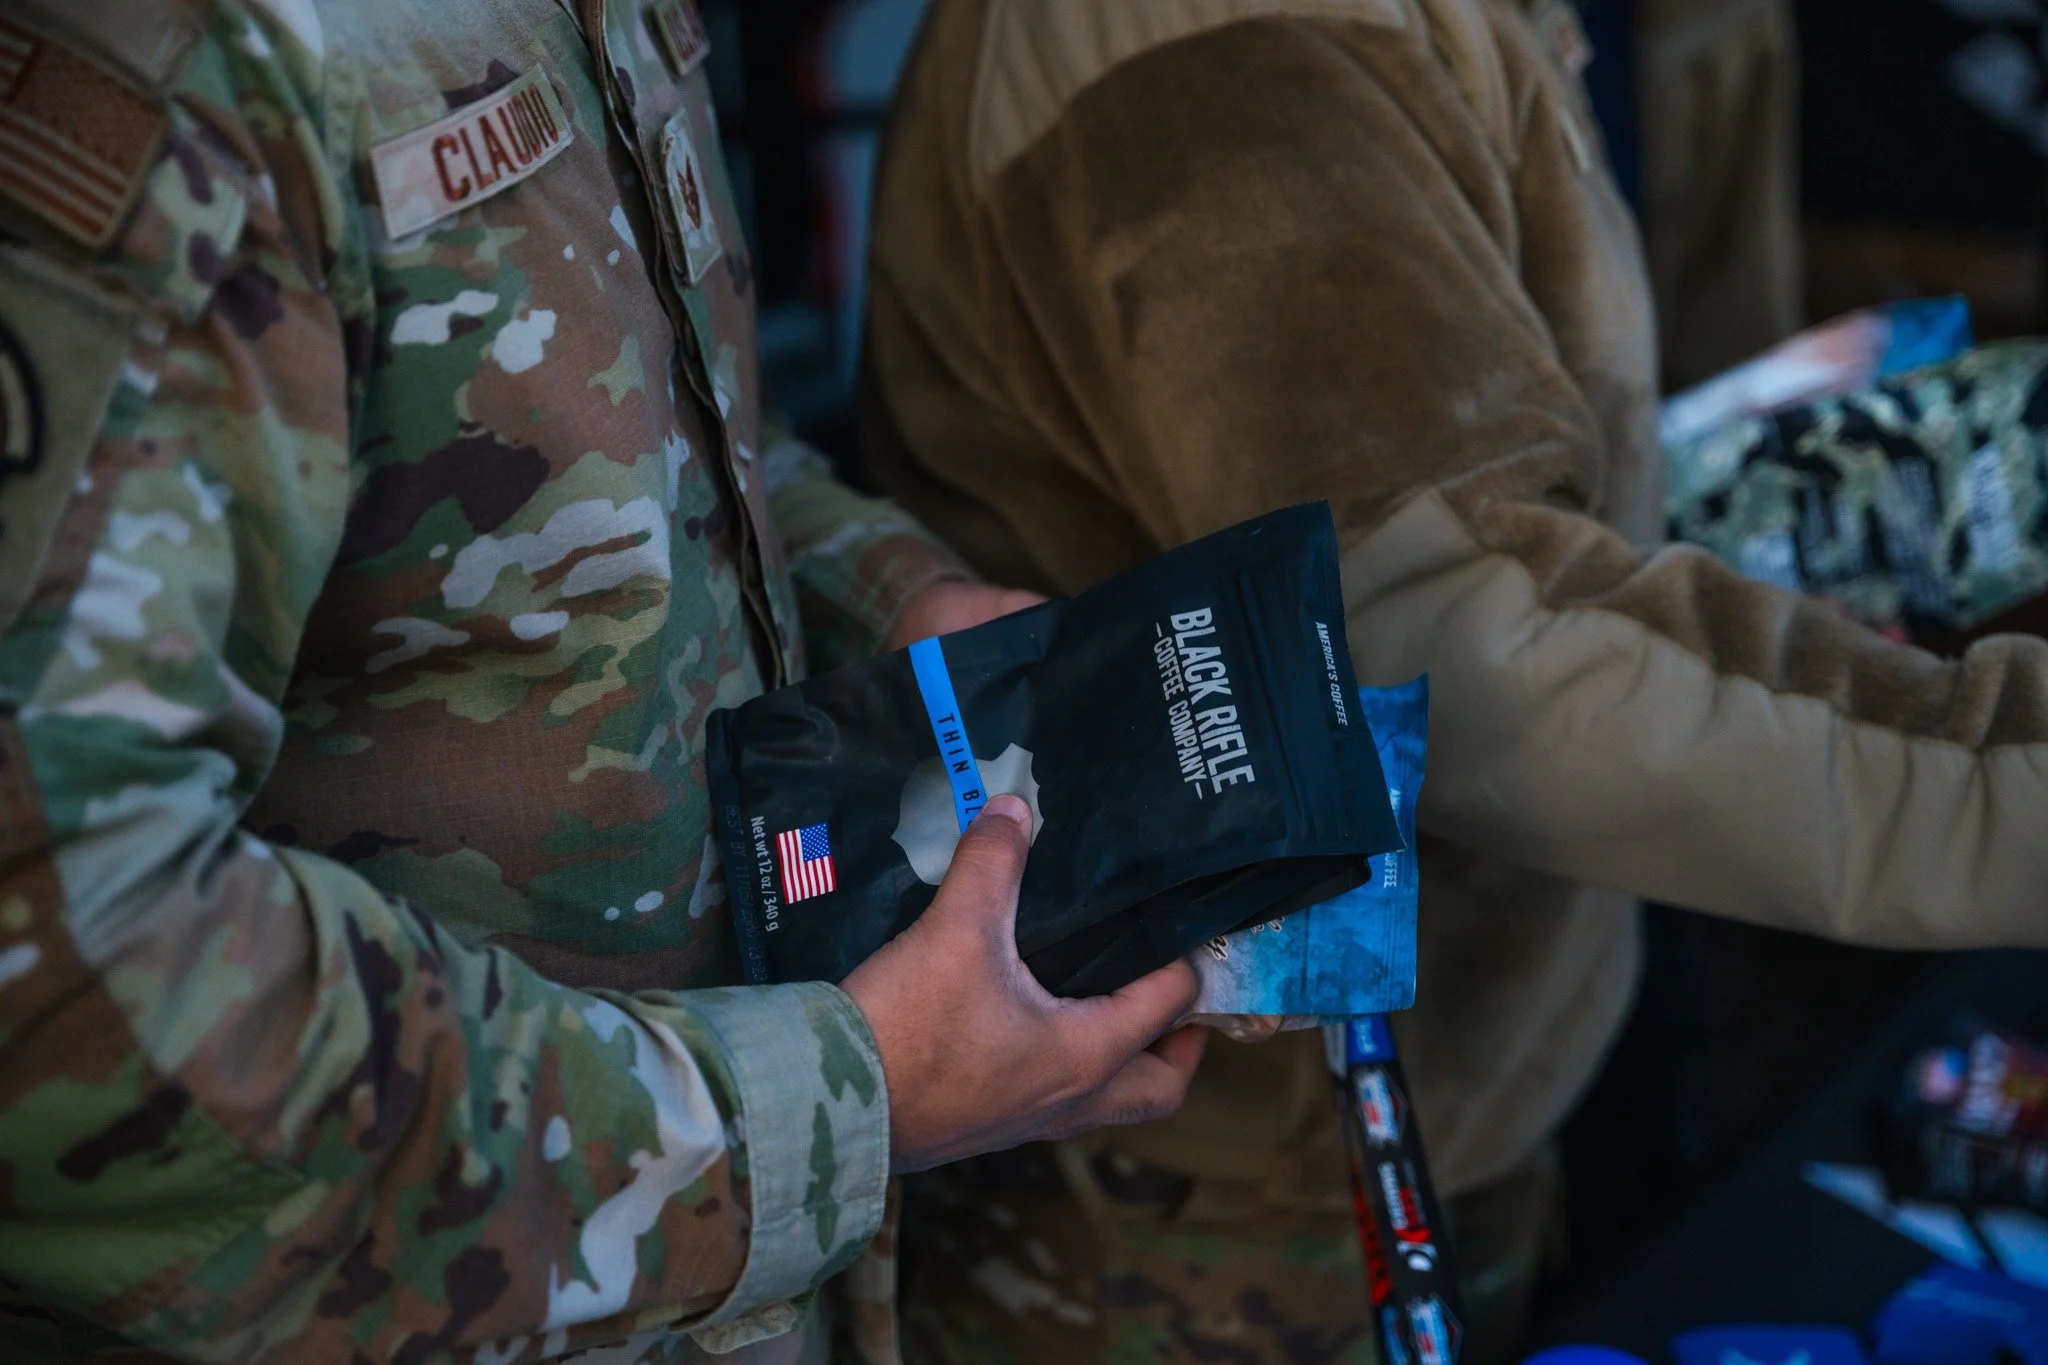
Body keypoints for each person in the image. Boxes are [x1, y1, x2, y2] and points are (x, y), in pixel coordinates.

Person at [0, 2, 1209, 1361]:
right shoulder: (202, 53)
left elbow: (657, 429)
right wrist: (832, 1110)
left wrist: (888, 603)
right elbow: (60, 941)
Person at [859, 0, 2048, 1360]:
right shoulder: (1214, 42)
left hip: (1513, 1045)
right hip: (1214, 1176)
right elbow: (1457, 629)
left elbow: (1646, 425)